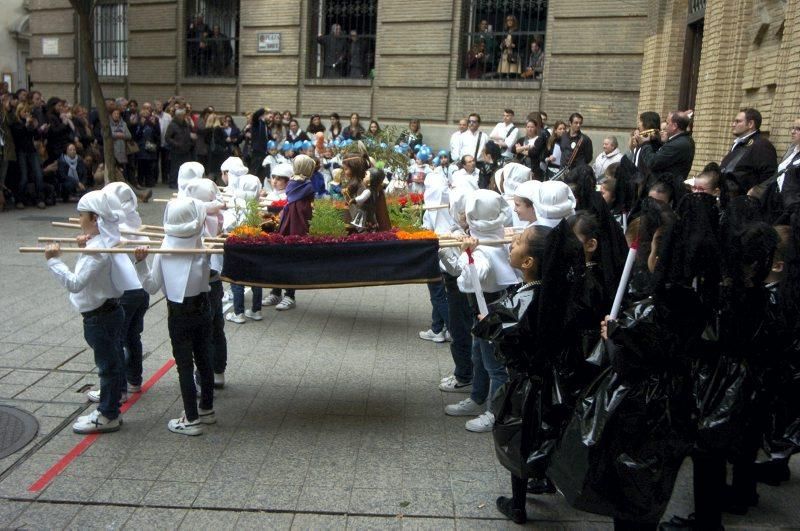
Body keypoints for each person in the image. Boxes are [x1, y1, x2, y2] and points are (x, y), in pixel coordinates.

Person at [480, 221, 584, 524]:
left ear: (528, 262)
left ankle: (519, 506)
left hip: (527, 384)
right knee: (545, 432)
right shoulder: (555, 294)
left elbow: (505, 343)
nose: (511, 244)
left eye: (517, 243)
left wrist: (490, 324)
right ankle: (545, 478)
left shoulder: (523, 300)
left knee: (520, 438)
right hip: (555, 381)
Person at [45, 192, 125, 433]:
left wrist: (53, 261)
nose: (78, 219)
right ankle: (112, 401)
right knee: (113, 361)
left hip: (100, 317)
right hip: (108, 312)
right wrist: (84, 246)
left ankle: (108, 413)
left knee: (107, 365)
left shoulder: (98, 251)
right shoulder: (101, 243)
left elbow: (76, 282)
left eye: (81, 215)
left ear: (93, 217)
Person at [134, 199, 215, 435]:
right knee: (204, 360)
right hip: (203, 307)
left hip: (179, 313)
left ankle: (191, 419)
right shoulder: (201, 245)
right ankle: (207, 409)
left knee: (185, 366)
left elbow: (150, 286)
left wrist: (140, 263)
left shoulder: (165, 249)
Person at [445, 189, 516, 433]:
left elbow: (467, 280)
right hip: (485, 311)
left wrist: (466, 254)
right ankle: (477, 398)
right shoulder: (500, 236)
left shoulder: (484, 248)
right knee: (479, 355)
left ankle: (495, 412)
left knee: (495, 365)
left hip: (490, 311)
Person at [265, 155, 317, 311]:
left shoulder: (297, 184)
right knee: (285, 258)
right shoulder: (304, 185)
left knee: (285, 258)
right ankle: (280, 292)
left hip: (293, 223)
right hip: (294, 224)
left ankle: (287, 294)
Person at [720, 107, 778, 196]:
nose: (733, 124)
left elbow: (769, 177)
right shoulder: (741, 142)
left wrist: (754, 193)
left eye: (738, 121)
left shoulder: (762, 145)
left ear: (750, 124)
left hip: (743, 201)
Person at [640, 110, 695, 189]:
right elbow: (662, 156)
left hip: (666, 190)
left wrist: (645, 144)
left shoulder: (678, 144)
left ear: (674, 126)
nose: (665, 126)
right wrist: (656, 141)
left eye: (668, 123)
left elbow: (652, 162)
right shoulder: (680, 140)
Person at [10, 103, 46, 208]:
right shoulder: (16, 123)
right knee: (24, 176)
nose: (27, 114)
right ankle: (19, 199)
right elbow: (18, 135)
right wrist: (26, 125)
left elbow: (37, 136)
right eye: (24, 112)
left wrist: (35, 128)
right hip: (21, 151)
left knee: (38, 174)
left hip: (31, 150)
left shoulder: (30, 123)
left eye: (28, 112)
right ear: (19, 112)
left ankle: (40, 198)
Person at [165, 108, 194, 189]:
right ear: (178, 116)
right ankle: (173, 183)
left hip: (186, 149)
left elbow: (188, 134)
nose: (184, 117)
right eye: (183, 115)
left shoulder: (186, 124)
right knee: (175, 167)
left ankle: (183, 183)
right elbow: (167, 138)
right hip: (176, 150)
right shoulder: (172, 125)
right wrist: (176, 144)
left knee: (185, 168)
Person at [133, 108, 160, 188]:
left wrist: (154, 125)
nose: (145, 115)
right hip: (141, 148)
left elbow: (157, 135)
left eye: (147, 114)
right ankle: (140, 181)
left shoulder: (153, 123)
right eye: (143, 114)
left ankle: (150, 182)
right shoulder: (138, 124)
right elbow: (136, 136)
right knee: (141, 167)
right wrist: (141, 126)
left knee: (150, 167)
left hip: (150, 148)